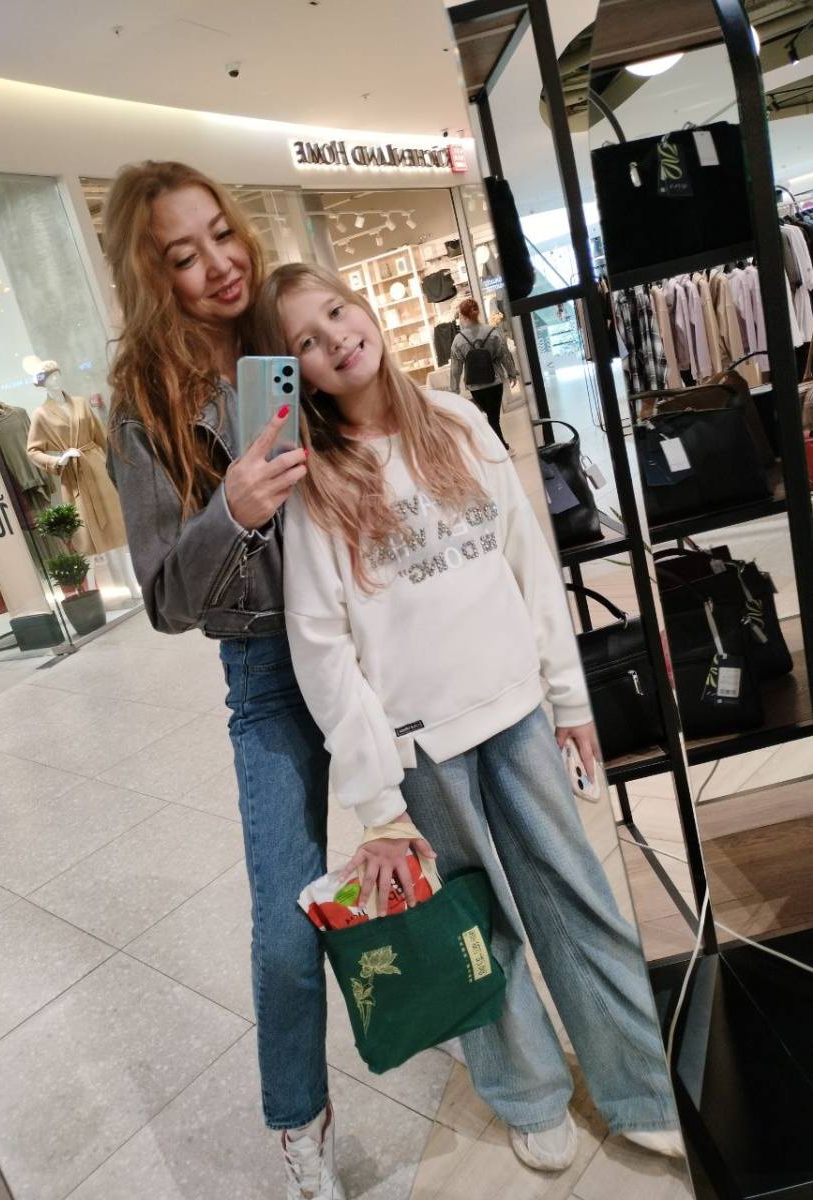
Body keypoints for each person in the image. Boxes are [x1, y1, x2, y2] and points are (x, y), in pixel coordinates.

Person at [253, 262, 684, 1174]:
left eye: (338, 311)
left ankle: (641, 1084)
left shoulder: (457, 421)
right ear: (297, 373)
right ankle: (528, 1094)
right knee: (473, 927)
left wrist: (569, 699)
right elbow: (322, 653)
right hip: (422, 752)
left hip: (518, 712)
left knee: (578, 899)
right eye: (305, 342)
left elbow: (529, 565)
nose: (336, 339)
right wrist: (377, 802)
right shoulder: (314, 486)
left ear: (364, 307)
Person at [104, 162, 361, 1200]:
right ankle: (299, 1121)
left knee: (456, 846)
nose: (219, 263)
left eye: (221, 232)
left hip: (372, 633)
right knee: (289, 931)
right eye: (183, 254)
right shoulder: (142, 404)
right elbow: (167, 599)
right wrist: (236, 511)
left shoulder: (281, 327)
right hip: (267, 670)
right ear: (150, 275)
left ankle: (510, 1061)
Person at [449, 296, 517, 448]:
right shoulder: (493, 332)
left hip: (475, 386)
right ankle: (502, 447)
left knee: (489, 417)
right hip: (495, 381)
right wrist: (512, 373)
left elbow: (455, 368)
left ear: (463, 316)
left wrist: (454, 390)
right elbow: (504, 355)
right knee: (493, 418)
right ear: (477, 312)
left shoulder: (458, 340)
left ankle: (499, 447)